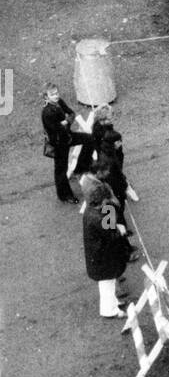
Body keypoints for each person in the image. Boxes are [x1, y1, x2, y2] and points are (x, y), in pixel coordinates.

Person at [81, 165, 132, 319]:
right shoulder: (99, 217)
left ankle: (114, 303)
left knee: (107, 285)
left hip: (98, 257)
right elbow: (110, 234)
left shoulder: (92, 212)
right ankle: (109, 310)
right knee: (107, 285)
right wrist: (120, 230)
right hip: (103, 259)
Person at [41, 85, 77, 203]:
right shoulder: (47, 112)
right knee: (61, 170)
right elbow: (56, 129)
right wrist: (66, 123)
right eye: (53, 94)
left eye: (57, 93)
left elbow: (71, 113)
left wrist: (66, 122)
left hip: (66, 137)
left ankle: (80, 167)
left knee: (88, 139)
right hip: (58, 143)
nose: (56, 96)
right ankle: (65, 195)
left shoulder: (59, 102)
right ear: (46, 97)